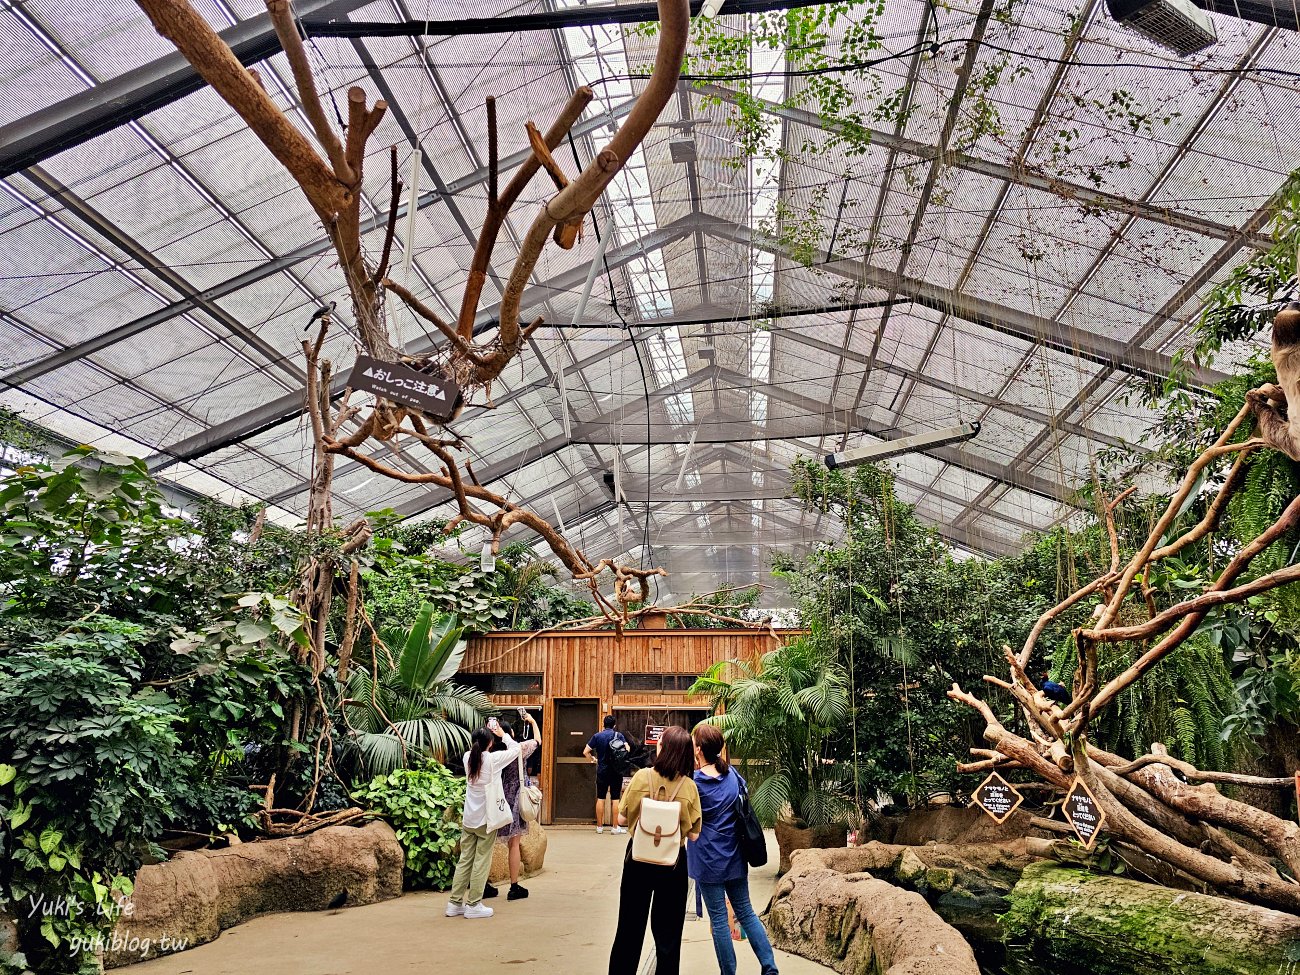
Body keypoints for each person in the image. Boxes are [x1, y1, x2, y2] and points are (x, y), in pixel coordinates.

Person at [608, 726, 702, 975]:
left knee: (629, 927)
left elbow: (619, 819)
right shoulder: (690, 786)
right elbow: (694, 834)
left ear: (665, 748)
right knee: (669, 934)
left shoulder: (641, 777)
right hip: (673, 863)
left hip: (638, 858)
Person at [689, 724, 779, 975]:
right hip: (735, 856)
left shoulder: (694, 783)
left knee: (719, 919)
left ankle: (728, 973)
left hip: (708, 858)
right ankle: (770, 967)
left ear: (698, 749)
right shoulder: (733, 776)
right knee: (747, 912)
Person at [445, 720, 521, 919]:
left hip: (469, 819)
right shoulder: (493, 759)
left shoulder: (467, 757)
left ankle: (454, 903)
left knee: (465, 860)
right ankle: (473, 904)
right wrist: (502, 733)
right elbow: (516, 749)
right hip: (486, 820)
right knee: (481, 861)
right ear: (490, 743)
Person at [495, 711, 541, 900]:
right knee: (514, 843)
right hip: (515, 797)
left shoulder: (493, 753)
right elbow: (537, 740)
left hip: (497, 797)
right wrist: (531, 721)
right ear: (510, 735)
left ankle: (482, 884)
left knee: (487, 842)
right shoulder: (519, 749)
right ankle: (514, 886)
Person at [584, 715, 629, 834]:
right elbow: (627, 749)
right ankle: (615, 827)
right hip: (616, 771)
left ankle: (599, 827)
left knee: (601, 797)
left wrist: (593, 759)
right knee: (615, 799)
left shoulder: (597, 736)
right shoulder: (619, 735)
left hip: (602, 770)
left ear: (604, 724)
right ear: (614, 725)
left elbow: (585, 751)